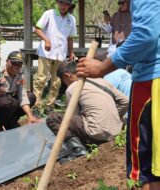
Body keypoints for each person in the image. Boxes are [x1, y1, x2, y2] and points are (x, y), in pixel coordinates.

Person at [77, 0, 160, 188]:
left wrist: (102, 67)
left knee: (150, 170)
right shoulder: (116, 17)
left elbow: (145, 36)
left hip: (153, 81)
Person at [47, 59, 128, 154]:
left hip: (96, 134)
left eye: (64, 81)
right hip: (116, 133)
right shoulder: (101, 81)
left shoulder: (72, 88)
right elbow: (126, 101)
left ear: (67, 76)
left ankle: (78, 150)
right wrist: (115, 117)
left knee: (53, 118)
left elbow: (72, 117)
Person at [32, 0, 77, 117]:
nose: (63, 6)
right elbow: (37, 29)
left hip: (60, 54)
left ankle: (49, 106)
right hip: (46, 52)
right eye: (61, 3)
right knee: (41, 79)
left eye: (66, 4)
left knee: (56, 82)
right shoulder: (49, 14)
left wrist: (71, 52)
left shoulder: (71, 19)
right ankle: (36, 106)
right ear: (58, 3)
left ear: (69, 6)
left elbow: (70, 38)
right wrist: (46, 40)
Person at [0, 51, 41, 133]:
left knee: (31, 96)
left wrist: (30, 116)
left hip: (9, 105)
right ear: (7, 61)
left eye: (19, 64)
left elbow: (22, 97)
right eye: (14, 63)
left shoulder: (19, 75)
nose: (16, 66)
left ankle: (11, 122)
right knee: (12, 102)